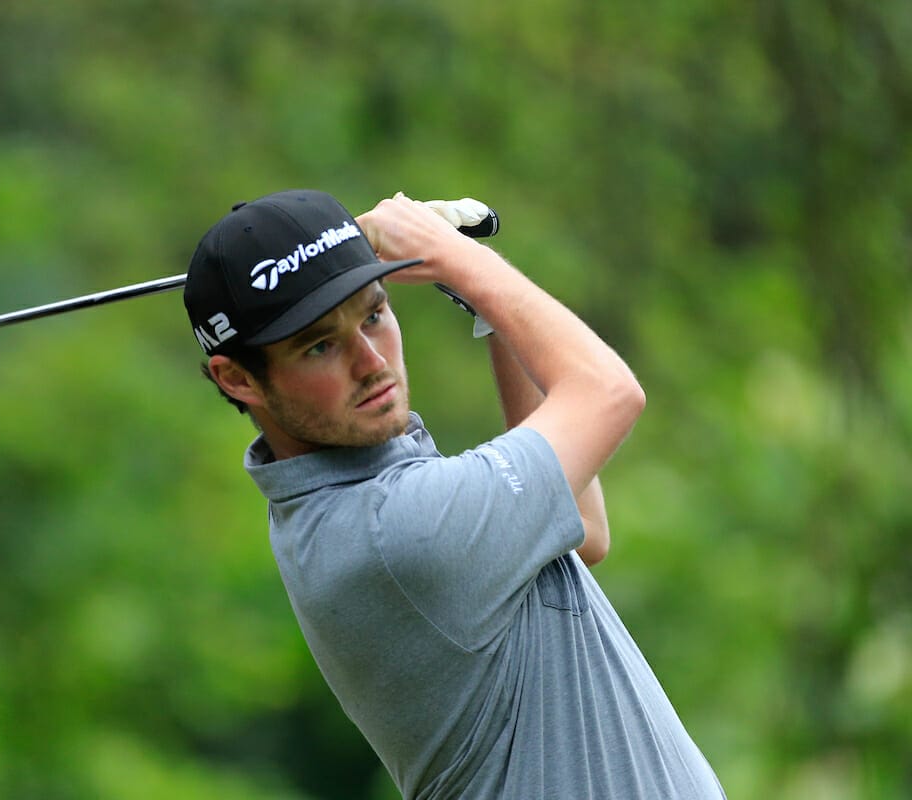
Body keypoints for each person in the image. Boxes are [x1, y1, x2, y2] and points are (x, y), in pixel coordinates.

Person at [183, 189, 724, 799]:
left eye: (373, 315)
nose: (371, 362)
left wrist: (481, 295)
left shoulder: (352, 501)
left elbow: (580, 527)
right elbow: (609, 393)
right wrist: (458, 260)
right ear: (238, 378)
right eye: (320, 346)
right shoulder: (397, 529)